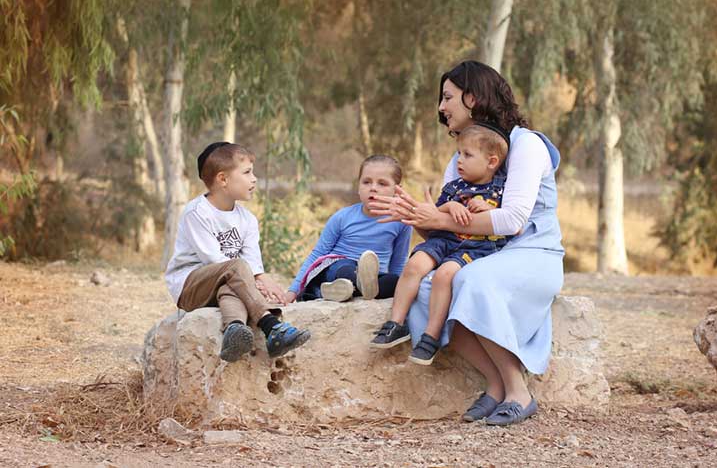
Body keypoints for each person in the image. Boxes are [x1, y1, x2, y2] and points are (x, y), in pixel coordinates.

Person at [369, 60, 564, 426]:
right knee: (428, 291)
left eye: (448, 97)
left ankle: (517, 390)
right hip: (485, 254)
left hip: (533, 254)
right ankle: (494, 385)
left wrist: (438, 217)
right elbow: (452, 234)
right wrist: (417, 217)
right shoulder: (461, 161)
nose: (441, 108)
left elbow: (512, 220)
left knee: (471, 281)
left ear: (472, 98)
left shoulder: (526, 145)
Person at [370, 125, 510, 367]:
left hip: (474, 248)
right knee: (415, 265)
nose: (459, 160)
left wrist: (491, 210)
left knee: (444, 276)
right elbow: (434, 214)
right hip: (444, 238)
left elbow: (513, 223)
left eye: (467, 155)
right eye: (458, 153)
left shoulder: (501, 189)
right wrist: (450, 207)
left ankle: (431, 336)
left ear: (491, 161)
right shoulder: (454, 187)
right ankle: (396, 323)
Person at [165, 142, 310, 363]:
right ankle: (271, 326)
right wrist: (256, 279)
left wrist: (260, 277)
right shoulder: (197, 212)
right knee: (237, 269)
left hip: (225, 282)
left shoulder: (247, 220)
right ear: (223, 179)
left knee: (234, 282)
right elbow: (214, 259)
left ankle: (234, 330)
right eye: (247, 172)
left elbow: (251, 259)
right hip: (190, 286)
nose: (254, 179)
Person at [288, 155, 412, 302]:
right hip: (338, 268)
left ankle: (345, 291)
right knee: (347, 269)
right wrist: (293, 291)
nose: (373, 188)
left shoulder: (402, 221)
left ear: (397, 190)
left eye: (382, 184)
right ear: (358, 186)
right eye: (366, 182)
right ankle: (344, 287)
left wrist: (399, 291)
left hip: (374, 276)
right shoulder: (343, 217)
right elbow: (318, 253)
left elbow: (398, 261)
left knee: (393, 281)